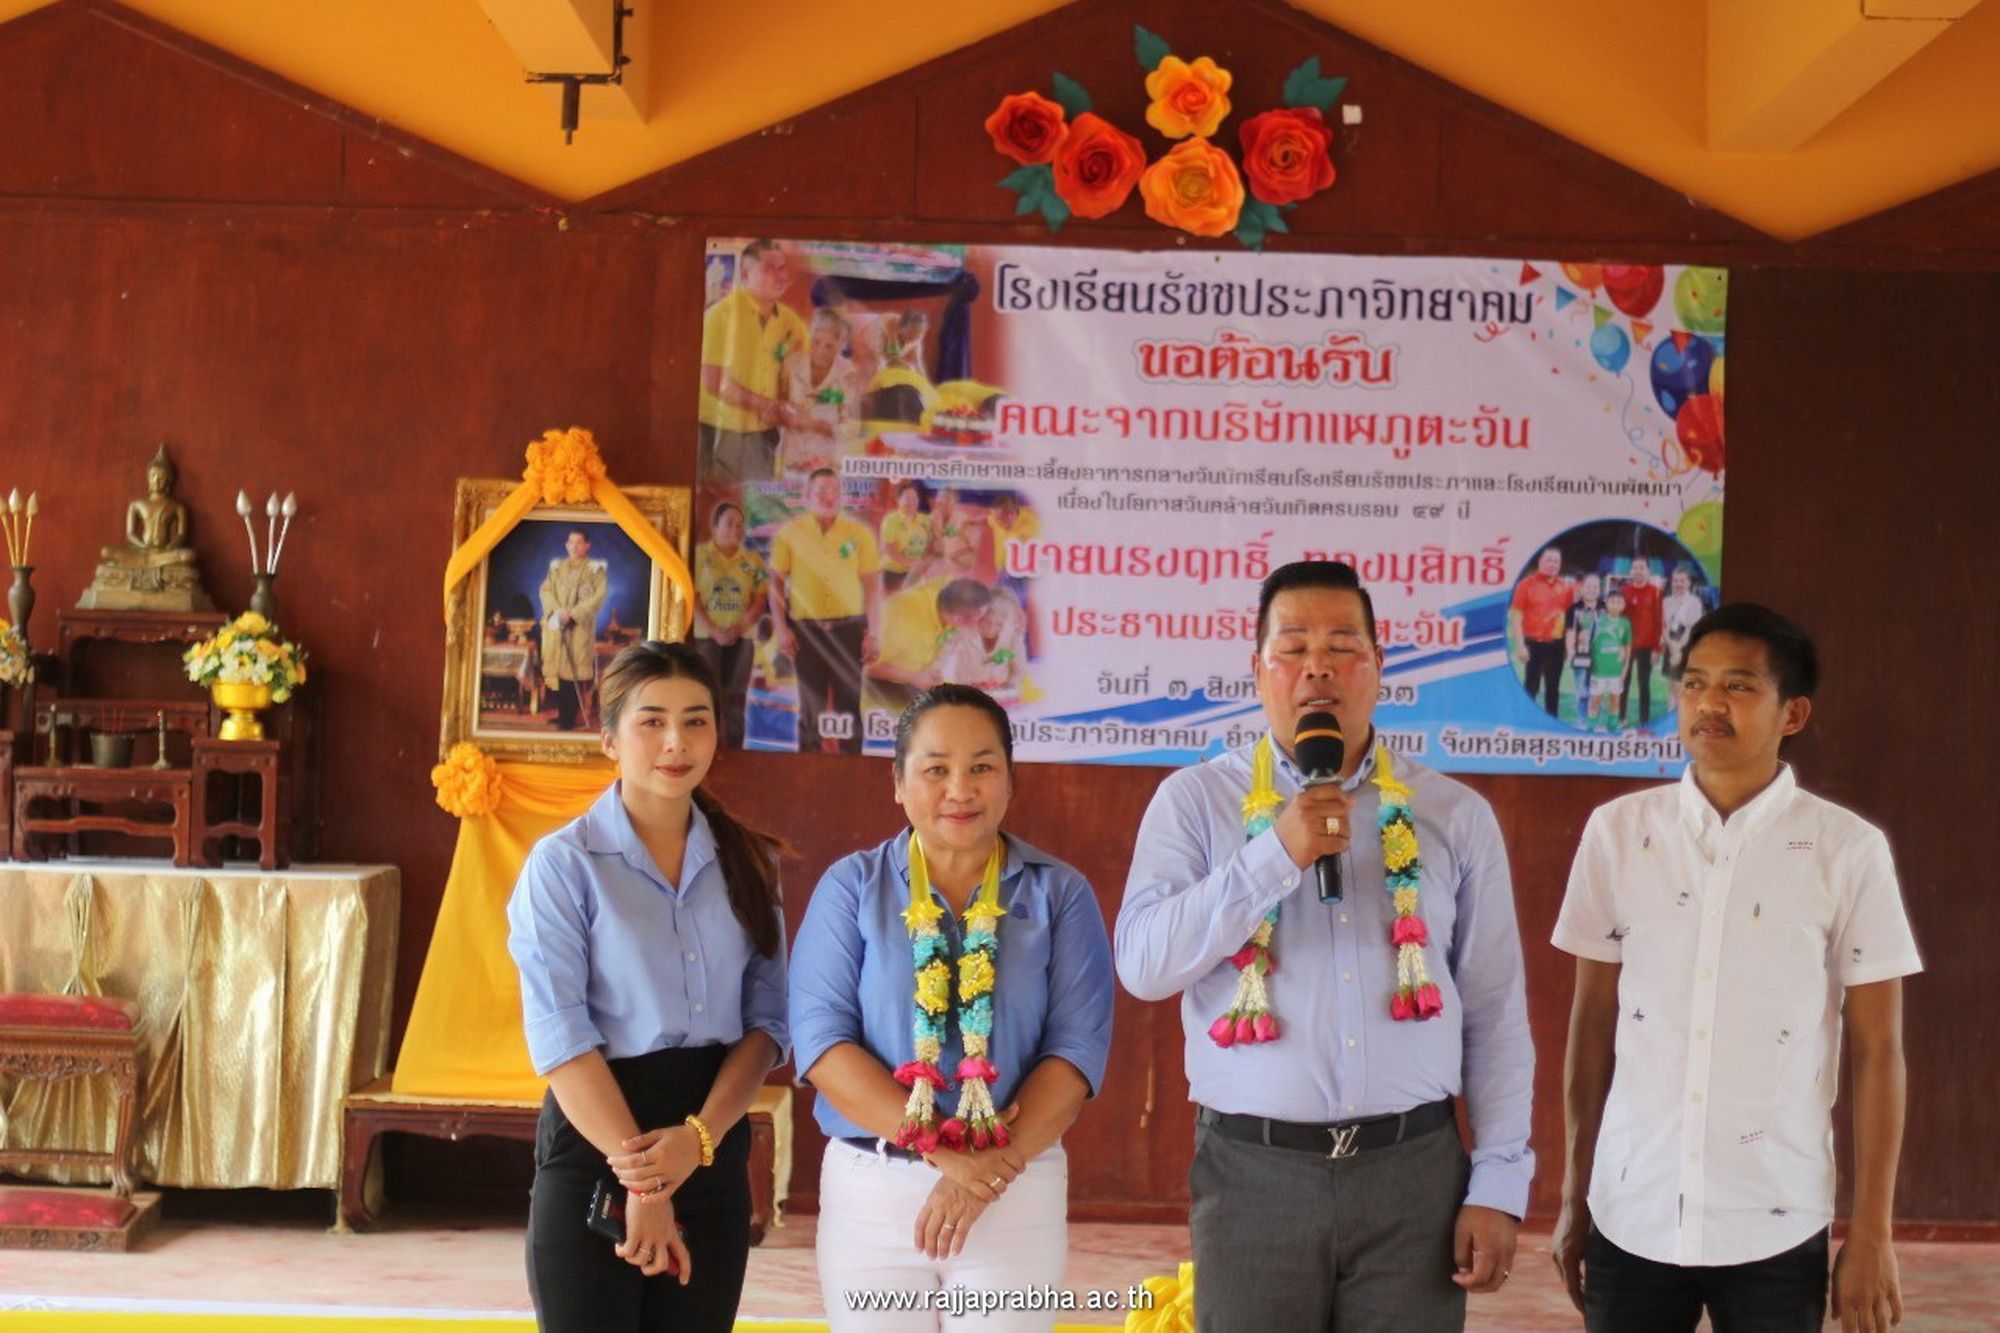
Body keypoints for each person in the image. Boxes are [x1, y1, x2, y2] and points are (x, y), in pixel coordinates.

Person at [1118, 559, 1534, 1332]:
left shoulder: (1454, 814)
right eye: (1294, 647)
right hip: (1254, 1176)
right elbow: (1144, 965)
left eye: (1343, 646)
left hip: (1414, 1177)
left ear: (1378, 666)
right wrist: (1274, 853)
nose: (1318, 667)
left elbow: (1495, 1010)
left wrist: (1499, 1182)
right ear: (1258, 669)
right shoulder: (1196, 802)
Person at [1551, 604, 1920, 1333]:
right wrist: (1574, 1194)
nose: (1709, 704)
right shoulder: (1618, 833)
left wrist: (1873, 1231)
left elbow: (1879, 1049)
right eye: (1695, 683)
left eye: (1739, 686)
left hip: (1775, 1217)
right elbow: (1592, 1023)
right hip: (1631, 1209)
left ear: (1793, 713)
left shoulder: (1846, 849)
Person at [789, 685, 1114, 1331]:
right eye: (936, 768)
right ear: (898, 782)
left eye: (982, 767)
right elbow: (822, 1043)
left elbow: (1076, 1050)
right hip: (873, 1186)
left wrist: (984, 1171)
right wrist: (948, 1156)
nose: (960, 789)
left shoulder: (1060, 892)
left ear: (1010, 779)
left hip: (1014, 1186)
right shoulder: (852, 886)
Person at [506, 641, 788, 1333]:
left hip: (710, 1143)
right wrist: (647, 1183)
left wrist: (698, 1140)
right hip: (597, 1138)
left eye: (695, 721)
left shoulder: (750, 860)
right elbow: (562, 1039)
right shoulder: (562, 866)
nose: (675, 742)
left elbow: (767, 1025)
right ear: (609, 738)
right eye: (652, 720)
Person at [768, 467, 881, 754]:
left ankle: (853, 771)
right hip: (807, 634)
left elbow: (872, 587)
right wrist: (781, 629)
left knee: (850, 707)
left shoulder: (858, 533)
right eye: (821, 490)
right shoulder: (790, 534)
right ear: (807, 495)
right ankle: (807, 771)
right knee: (811, 708)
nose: (828, 497)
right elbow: (775, 584)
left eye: (834, 490)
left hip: (850, 631)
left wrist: (874, 633)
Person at [699, 240, 810, 483]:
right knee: (719, 501)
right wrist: (766, 406)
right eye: (769, 268)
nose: (780, 276)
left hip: (764, 436)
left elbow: (799, 376)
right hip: (720, 434)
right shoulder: (721, 316)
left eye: (782, 268)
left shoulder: (790, 322)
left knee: (758, 502)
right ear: (746, 274)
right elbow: (715, 383)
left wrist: (787, 407)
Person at [691, 502, 767, 749]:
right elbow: (692, 598)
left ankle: (734, 750)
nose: (736, 528)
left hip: (742, 639)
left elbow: (760, 600)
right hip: (706, 637)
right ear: (714, 527)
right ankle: (705, 750)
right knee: (705, 696)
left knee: (736, 697)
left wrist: (739, 627)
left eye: (740, 524)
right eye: (729, 523)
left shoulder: (754, 561)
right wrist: (714, 630)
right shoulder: (698, 556)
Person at [868, 576, 992, 697]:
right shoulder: (900, 627)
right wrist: (912, 677)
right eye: (979, 618)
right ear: (958, 619)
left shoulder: (948, 603)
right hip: (881, 688)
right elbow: (866, 667)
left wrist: (932, 670)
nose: (981, 622)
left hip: (919, 680)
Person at [541, 528, 609, 731]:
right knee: (561, 674)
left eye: (579, 542)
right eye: (571, 542)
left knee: (573, 674)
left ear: (587, 545)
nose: (574, 546)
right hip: (558, 624)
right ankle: (563, 714)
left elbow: (598, 597)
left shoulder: (595, 570)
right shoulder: (556, 568)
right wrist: (556, 610)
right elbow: (545, 590)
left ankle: (569, 719)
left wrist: (573, 614)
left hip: (579, 628)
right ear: (566, 545)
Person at [1509, 546, 1571, 717]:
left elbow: (1568, 618)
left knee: (1553, 687)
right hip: (1533, 644)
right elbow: (1516, 616)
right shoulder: (1525, 585)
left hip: (1556, 645)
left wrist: (1568, 646)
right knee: (1531, 686)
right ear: (1540, 562)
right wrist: (1520, 645)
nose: (1553, 564)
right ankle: (1525, 721)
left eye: (1556, 561)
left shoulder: (1564, 587)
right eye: (1549, 560)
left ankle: (1551, 724)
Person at [1619, 556, 1663, 728]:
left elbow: (1658, 622)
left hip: (1647, 646)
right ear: (1630, 571)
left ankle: (1644, 720)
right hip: (1627, 646)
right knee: (1623, 682)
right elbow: (1618, 619)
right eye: (1635, 568)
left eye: (1642, 567)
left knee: (1644, 684)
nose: (1638, 571)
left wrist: (1657, 649)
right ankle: (1621, 718)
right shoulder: (1624, 591)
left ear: (1648, 571)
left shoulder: (1655, 592)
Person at [878, 481, 936, 595]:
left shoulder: (925, 520)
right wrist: (912, 563)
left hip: (916, 572)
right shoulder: (891, 520)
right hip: (893, 572)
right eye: (907, 498)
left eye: (914, 498)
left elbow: (933, 544)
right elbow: (888, 549)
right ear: (899, 500)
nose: (911, 502)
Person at [1587, 587, 1632, 734]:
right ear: (1606, 603)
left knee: (1615, 699)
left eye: (1619, 602)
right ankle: (1590, 729)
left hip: (1616, 670)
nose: (1615, 605)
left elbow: (1627, 645)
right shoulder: (1597, 620)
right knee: (1595, 700)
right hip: (1598, 670)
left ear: (1624, 605)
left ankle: (1612, 729)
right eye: (1612, 601)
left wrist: (1625, 666)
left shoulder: (1625, 623)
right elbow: (1588, 641)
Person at [1566, 572, 1605, 729]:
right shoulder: (1574, 609)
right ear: (1582, 588)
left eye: (1595, 587)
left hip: (1601, 657)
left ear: (1600, 589)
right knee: (1583, 691)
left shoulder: (1605, 608)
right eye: (1588, 586)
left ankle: (1595, 723)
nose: (1591, 590)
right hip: (1581, 654)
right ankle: (1582, 723)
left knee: (1598, 691)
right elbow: (1570, 632)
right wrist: (1570, 651)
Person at [1659, 564, 1703, 684]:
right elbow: (1664, 627)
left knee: (1681, 683)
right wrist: (1671, 645)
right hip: (1670, 643)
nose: (1678, 584)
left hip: (1686, 645)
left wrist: (1678, 648)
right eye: (1675, 581)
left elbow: (1690, 629)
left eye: (1682, 581)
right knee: (1670, 682)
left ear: (1689, 583)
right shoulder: (1666, 602)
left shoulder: (1694, 602)